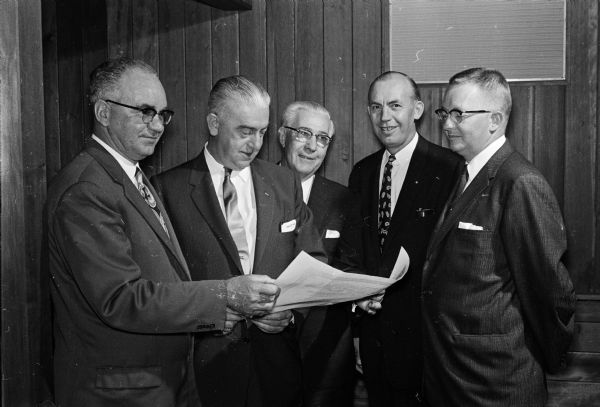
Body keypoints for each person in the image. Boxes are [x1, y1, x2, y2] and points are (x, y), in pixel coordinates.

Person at [46, 58, 281, 407]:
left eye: (162, 114)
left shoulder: (131, 176)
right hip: (119, 389)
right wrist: (224, 295)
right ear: (103, 111)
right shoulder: (87, 188)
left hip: (160, 380)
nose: (156, 125)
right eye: (144, 111)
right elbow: (120, 299)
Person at [152, 76, 327, 407]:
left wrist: (290, 313)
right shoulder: (168, 189)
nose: (255, 143)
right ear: (214, 124)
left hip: (275, 369)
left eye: (262, 132)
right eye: (245, 131)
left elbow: (314, 261)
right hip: (204, 373)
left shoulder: (283, 182)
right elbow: (162, 287)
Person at [422, 67, 576, 406]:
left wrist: (530, 357)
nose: (446, 125)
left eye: (458, 114)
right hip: (451, 376)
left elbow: (552, 293)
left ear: (494, 120)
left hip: (495, 385)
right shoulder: (463, 174)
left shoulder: (519, 182)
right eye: (445, 113)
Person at [336, 71, 462, 406]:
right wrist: (359, 330)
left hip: (426, 343)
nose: (384, 117)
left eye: (395, 105)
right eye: (376, 107)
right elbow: (356, 253)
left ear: (417, 109)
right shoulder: (362, 173)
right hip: (375, 339)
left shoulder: (449, 168)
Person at [278, 101, 354, 406]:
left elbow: (351, 265)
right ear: (283, 136)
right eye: (303, 134)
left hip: (326, 356)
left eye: (322, 138)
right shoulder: (253, 188)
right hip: (267, 346)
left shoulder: (345, 200)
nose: (312, 146)